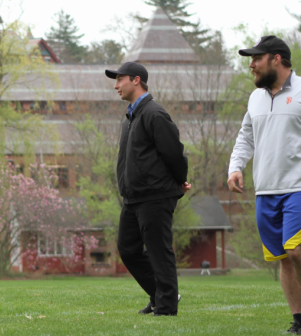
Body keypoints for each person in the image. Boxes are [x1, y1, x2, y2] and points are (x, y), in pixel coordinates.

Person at [228, 35, 301, 335]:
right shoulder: (255, 98)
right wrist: (235, 167)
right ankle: (300, 323)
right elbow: (246, 136)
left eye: (257, 58)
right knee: (283, 258)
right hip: (265, 191)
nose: (252, 65)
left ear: (276, 59)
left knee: (296, 250)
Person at [105, 62, 191, 316]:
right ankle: (160, 295)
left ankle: (165, 307)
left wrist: (179, 179)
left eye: (119, 79)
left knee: (158, 251)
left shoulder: (154, 113)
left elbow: (174, 152)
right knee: (128, 250)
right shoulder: (130, 117)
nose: (115, 85)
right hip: (132, 197)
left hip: (155, 195)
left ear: (136, 80)